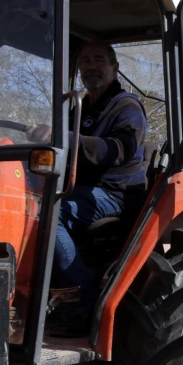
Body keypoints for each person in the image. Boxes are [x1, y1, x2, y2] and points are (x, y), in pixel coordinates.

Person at [29, 42, 148, 337]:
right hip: (82, 188)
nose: (91, 66)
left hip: (116, 191)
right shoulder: (80, 108)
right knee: (20, 201)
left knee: (47, 215)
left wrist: (66, 137)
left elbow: (119, 150)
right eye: (85, 61)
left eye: (99, 60)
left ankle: (82, 303)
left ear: (114, 68)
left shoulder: (126, 106)